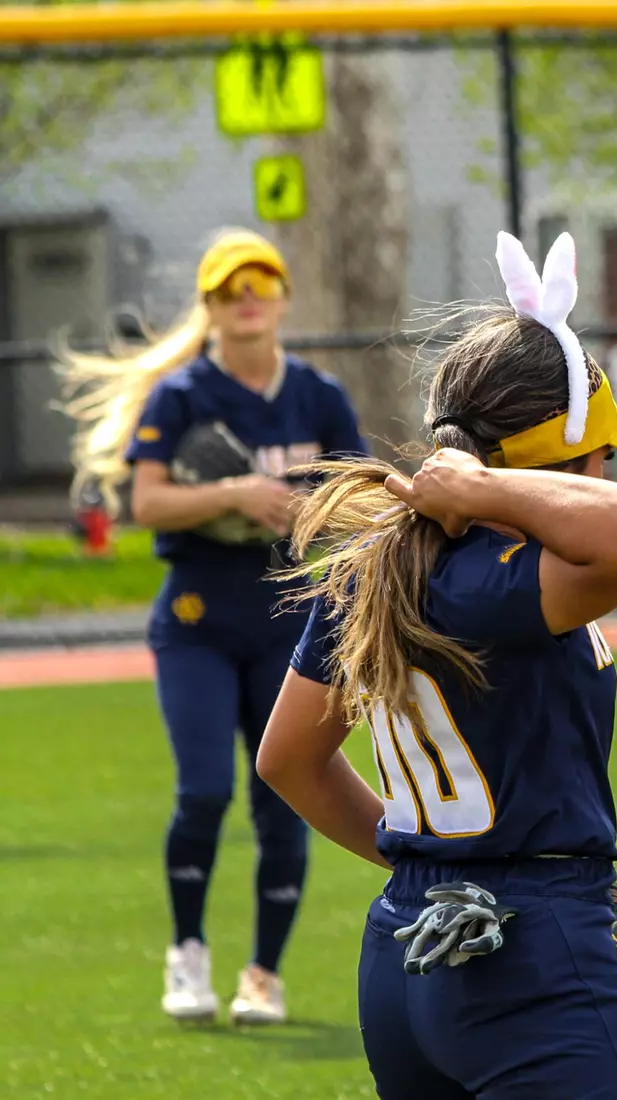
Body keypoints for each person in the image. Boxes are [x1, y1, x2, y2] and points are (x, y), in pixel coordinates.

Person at [256, 229, 617, 1099]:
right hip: (524, 954)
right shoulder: (503, 585)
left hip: (406, 944)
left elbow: (287, 758)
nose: (614, 475)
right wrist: (487, 490)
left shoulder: (377, 565)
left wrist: (421, 859)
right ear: (555, 468)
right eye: (602, 461)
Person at [57, 228, 368, 1025]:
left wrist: (309, 509)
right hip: (196, 616)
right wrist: (236, 493)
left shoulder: (318, 396)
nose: (249, 298)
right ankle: (187, 951)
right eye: (232, 288)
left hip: (290, 618)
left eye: (261, 282)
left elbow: (361, 498)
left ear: (284, 298)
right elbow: (145, 503)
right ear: (211, 306)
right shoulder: (182, 395)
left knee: (285, 795)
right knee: (203, 792)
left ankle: (263, 972)